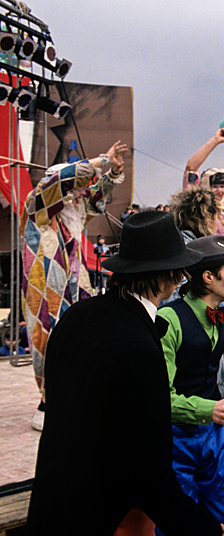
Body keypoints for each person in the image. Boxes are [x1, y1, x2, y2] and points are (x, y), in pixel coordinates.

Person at [25, 211, 224, 536]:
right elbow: (145, 469)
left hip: (56, 503)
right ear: (170, 275)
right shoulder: (138, 347)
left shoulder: (76, 317)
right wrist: (202, 529)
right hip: (107, 524)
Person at [154, 235, 224, 536]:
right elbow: (159, 398)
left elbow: (211, 376)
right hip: (177, 440)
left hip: (216, 438)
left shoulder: (221, 314)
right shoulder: (169, 319)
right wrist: (211, 409)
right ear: (208, 277)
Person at [21, 141, 127, 431]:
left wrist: (112, 173)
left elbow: (95, 198)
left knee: (81, 337)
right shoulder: (38, 205)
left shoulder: (73, 210)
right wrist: (102, 159)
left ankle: (74, 395)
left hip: (75, 285)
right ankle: (47, 401)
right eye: (78, 187)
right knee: (46, 339)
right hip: (45, 287)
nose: (82, 192)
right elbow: (61, 180)